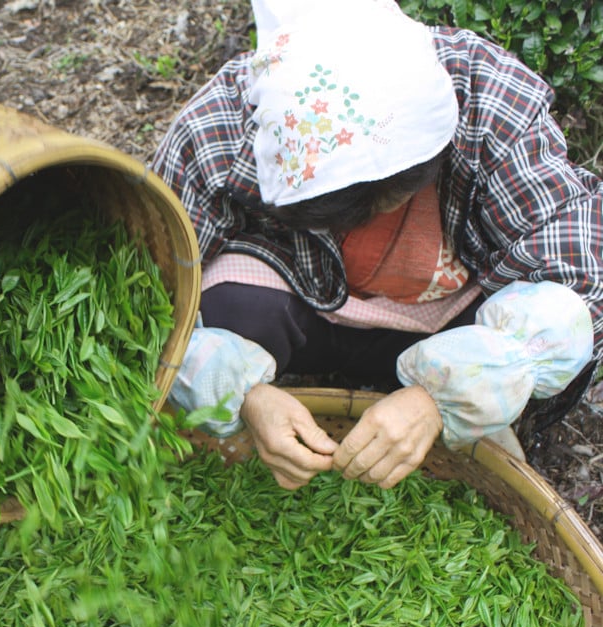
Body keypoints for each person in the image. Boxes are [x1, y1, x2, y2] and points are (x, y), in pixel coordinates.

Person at [154, 0, 601, 492]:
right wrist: (243, 394)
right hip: (301, 299)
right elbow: (152, 285)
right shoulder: (223, 127)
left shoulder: (486, 99)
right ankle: (276, 390)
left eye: (389, 199)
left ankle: (466, 411)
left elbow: (581, 277)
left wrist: (440, 399)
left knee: (558, 332)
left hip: (443, 313)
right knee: (226, 304)